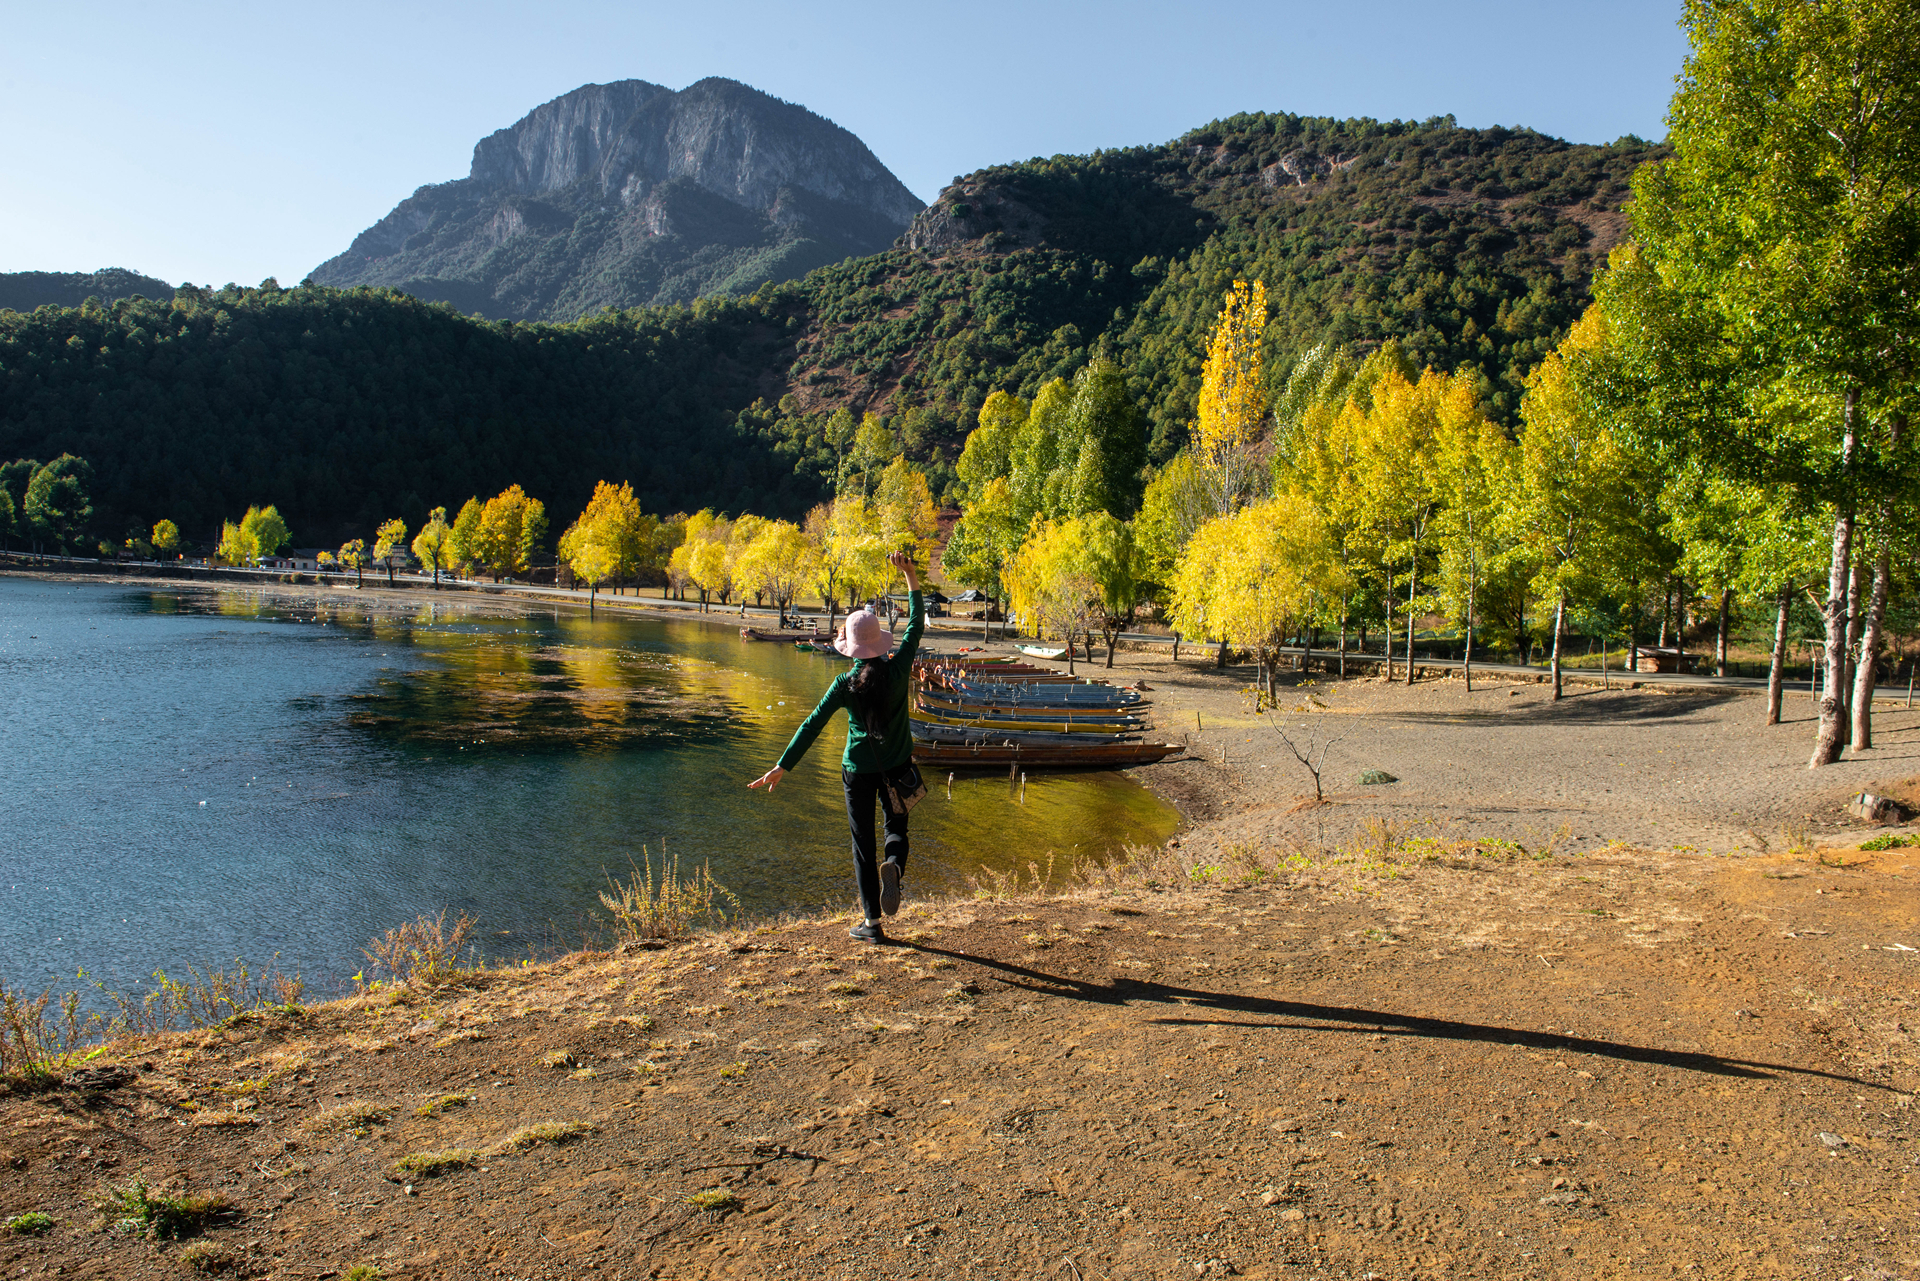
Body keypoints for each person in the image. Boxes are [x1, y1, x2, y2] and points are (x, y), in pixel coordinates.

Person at [749, 550, 923, 943]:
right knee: (896, 825)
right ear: (880, 641)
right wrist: (910, 575)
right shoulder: (898, 668)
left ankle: (872, 925)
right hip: (897, 766)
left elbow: (812, 724)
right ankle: (894, 863)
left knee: (862, 843)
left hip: (856, 771)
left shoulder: (843, 685)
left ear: (850, 646)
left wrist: (783, 766)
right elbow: (916, 623)